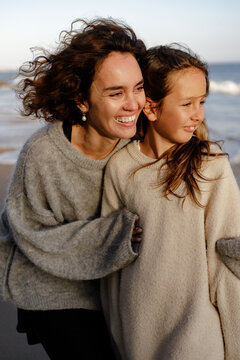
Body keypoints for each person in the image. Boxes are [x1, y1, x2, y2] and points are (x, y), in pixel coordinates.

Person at [0, 18, 145, 359]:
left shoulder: (140, 143)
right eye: (116, 93)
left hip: (114, 284)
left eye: (138, 87)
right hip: (51, 286)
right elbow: (33, 235)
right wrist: (114, 233)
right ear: (81, 100)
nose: (133, 104)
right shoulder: (43, 154)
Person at [100, 45, 240, 359]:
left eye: (202, 101)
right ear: (150, 108)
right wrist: (116, 336)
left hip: (199, 333)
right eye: (187, 103)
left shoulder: (211, 166)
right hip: (138, 330)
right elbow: (111, 261)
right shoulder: (120, 168)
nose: (198, 114)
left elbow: (228, 261)